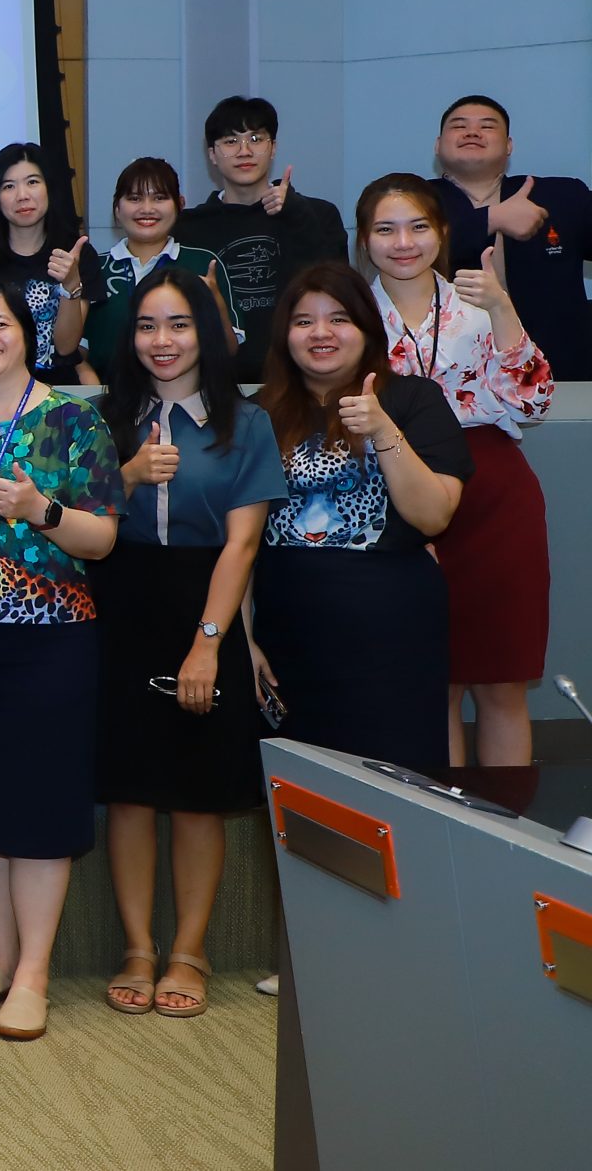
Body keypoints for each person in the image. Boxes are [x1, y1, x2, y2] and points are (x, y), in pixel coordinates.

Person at [0, 278, 122, 1043]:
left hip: (52, 635)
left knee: (40, 802)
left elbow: (101, 539)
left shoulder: (74, 419)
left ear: (26, 332)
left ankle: (34, 971)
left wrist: (42, 510)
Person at [93, 267, 286, 1020]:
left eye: (177, 324)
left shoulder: (248, 421)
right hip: (122, 604)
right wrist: (130, 474)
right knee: (131, 792)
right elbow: (76, 521)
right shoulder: (107, 417)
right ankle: (139, 948)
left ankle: (190, 950)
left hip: (206, 603)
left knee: (200, 794)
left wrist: (209, 643)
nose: (161, 340)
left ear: (205, 331)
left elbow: (243, 546)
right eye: (147, 325)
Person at [357, 175, 553, 768]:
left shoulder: (479, 302)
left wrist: (501, 306)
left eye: (418, 227)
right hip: (393, 489)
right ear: (363, 240)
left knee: (501, 682)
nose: (403, 243)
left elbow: (533, 403)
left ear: (442, 233)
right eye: (385, 229)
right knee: (429, 683)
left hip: (493, 496)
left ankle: (507, 823)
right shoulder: (347, 316)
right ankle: (441, 822)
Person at [251, 264, 470, 770]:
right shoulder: (257, 412)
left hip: (392, 632)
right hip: (289, 634)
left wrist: (382, 429)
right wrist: (242, 641)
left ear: (368, 329)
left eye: (339, 319)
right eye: (304, 321)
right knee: (301, 785)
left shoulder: (413, 399)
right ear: (285, 335)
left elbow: (434, 516)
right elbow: (237, 541)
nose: (321, 333)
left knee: (398, 781)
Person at [173, 97, 348, 380]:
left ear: (273, 148)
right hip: (215, 383)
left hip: (301, 380)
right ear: (212, 154)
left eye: (256, 139)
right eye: (231, 141)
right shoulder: (188, 227)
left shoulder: (318, 214)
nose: (245, 151)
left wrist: (296, 212)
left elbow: (336, 292)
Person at [431, 95, 592, 380]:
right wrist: (492, 219)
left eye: (487, 126)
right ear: (438, 145)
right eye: (459, 126)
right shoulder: (410, 199)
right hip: (449, 372)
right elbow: (395, 251)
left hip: (558, 369)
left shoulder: (562, 196)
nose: (472, 132)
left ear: (508, 146)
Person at [83, 158, 238, 370]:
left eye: (159, 198)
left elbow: (229, 350)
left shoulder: (203, 263)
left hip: (188, 388)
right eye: (135, 198)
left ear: (180, 204)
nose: (147, 209)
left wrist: (216, 304)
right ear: (117, 209)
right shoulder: (94, 268)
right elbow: (75, 350)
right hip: (108, 388)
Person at [0, 142, 91, 385]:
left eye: (33, 182)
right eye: (9, 186)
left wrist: (70, 284)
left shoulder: (76, 254)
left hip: (58, 392)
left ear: (49, 187)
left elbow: (66, 346)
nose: (22, 195)